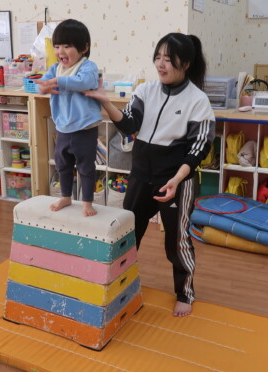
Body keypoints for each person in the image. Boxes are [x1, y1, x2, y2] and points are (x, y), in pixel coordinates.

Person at [85, 33, 215, 317]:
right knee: (126, 234)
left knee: (176, 241)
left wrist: (177, 180)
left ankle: (185, 293)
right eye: (158, 57)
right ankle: (118, 284)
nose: (160, 64)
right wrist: (104, 101)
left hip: (177, 180)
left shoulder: (198, 101)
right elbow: (130, 125)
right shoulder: (145, 90)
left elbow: (198, 150)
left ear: (186, 63)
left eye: (168, 59)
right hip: (141, 176)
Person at [37, 19, 102, 217]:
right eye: (57, 46)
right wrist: (43, 87)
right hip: (63, 127)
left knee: (86, 167)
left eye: (67, 46)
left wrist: (57, 81)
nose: (60, 51)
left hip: (84, 128)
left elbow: (84, 82)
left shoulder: (88, 67)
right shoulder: (55, 68)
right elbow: (42, 83)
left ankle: (87, 202)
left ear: (84, 48)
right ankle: (66, 196)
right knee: (62, 165)